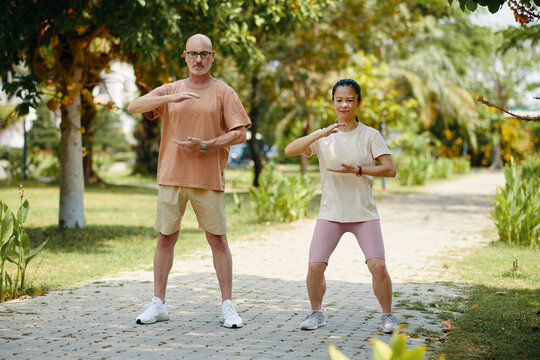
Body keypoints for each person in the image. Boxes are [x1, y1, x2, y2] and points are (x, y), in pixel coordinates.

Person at [127, 34, 251, 328]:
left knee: (217, 240)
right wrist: (169, 97)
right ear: (184, 56)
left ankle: (228, 306)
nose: (198, 59)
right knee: (165, 238)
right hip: (171, 176)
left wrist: (206, 145)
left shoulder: (224, 92)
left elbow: (240, 133)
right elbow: (134, 106)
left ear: (212, 56)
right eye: (193, 54)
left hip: (207, 178)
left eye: (204, 54)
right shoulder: (172, 89)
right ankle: (158, 304)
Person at [284, 79, 399, 333]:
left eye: (350, 99)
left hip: (363, 213)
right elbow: (290, 150)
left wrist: (359, 170)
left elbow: (390, 169)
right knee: (315, 266)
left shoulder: (370, 135)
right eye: (339, 100)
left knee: (378, 266)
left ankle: (388, 316)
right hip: (331, 214)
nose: (344, 105)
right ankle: (317, 312)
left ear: (359, 102)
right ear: (333, 102)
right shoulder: (324, 136)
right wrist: (319, 134)